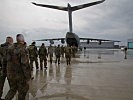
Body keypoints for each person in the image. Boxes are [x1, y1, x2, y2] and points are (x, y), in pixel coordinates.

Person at [5, 34, 31, 100]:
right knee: (22, 91)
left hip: (10, 75)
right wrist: (28, 77)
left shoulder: (10, 48)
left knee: (12, 90)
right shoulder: (22, 49)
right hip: (20, 76)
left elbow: (5, 61)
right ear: (22, 39)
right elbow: (25, 65)